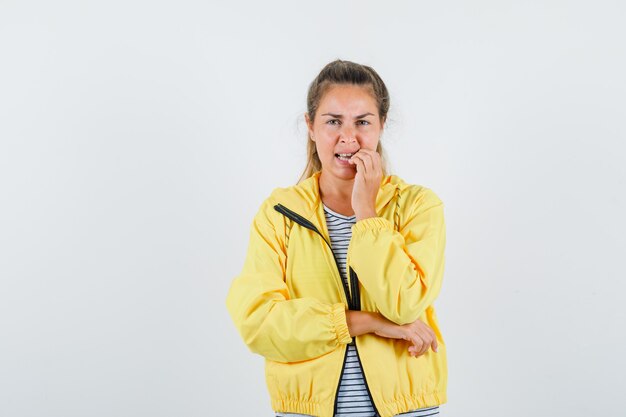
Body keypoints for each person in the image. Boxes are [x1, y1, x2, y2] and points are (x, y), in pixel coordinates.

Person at [225, 59, 447, 417]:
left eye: (363, 122)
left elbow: (406, 303)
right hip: (306, 409)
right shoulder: (279, 213)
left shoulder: (417, 206)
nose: (348, 138)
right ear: (311, 127)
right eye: (333, 122)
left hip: (406, 409)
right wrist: (369, 322)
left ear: (381, 126)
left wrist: (367, 214)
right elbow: (258, 323)